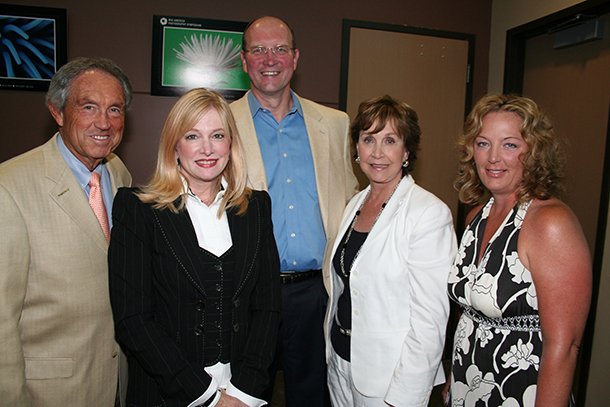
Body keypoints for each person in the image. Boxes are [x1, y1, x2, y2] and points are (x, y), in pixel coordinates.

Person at [108, 88, 281, 407]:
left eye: (217, 135)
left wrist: (244, 392)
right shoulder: (138, 210)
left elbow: (268, 308)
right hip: (167, 394)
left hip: (242, 393)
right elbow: (133, 319)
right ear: (174, 145)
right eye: (192, 136)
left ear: (231, 144)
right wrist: (208, 398)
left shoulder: (256, 208)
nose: (207, 149)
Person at [230, 16, 359, 406]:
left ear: (295, 57)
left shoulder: (336, 124)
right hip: (247, 292)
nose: (270, 59)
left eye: (280, 49)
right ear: (244, 59)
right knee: (247, 394)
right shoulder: (221, 124)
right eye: (259, 49)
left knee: (314, 396)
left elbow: (352, 197)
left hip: (315, 292)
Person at [0, 57, 132, 406]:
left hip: (115, 381)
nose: (104, 122)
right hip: (48, 391)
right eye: (89, 107)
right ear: (57, 112)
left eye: (115, 109)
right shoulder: (9, 187)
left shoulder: (119, 173)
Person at [447, 94, 592, 406]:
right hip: (468, 383)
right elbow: (470, 312)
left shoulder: (551, 223)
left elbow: (564, 345)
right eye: (483, 143)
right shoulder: (476, 216)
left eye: (509, 145)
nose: (493, 158)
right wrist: (452, 380)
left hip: (519, 390)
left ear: (533, 153)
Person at [324, 94, 457, 406]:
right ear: (356, 148)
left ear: (407, 150)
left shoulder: (428, 213)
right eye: (368, 139)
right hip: (340, 362)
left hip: (389, 378)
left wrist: (407, 396)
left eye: (390, 140)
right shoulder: (355, 203)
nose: (378, 153)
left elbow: (431, 321)